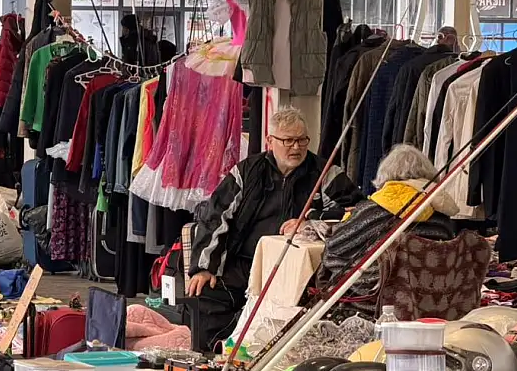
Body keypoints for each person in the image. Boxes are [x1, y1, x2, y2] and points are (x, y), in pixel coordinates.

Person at [186, 107, 361, 350]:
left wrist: (312, 219)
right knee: (205, 293)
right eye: (288, 141)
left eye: (302, 140)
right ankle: (216, 355)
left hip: (295, 269)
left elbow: (355, 211)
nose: (296, 147)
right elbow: (215, 216)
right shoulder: (247, 171)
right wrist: (204, 267)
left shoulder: (325, 172)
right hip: (243, 262)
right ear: (270, 141)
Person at [320, 144, 458, 295]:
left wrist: (341, 225)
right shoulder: (442, 216)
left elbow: (337, 245)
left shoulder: (372, 210)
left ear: (385, 174)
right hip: (429, 295)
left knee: (331, 257)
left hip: (377, 295)